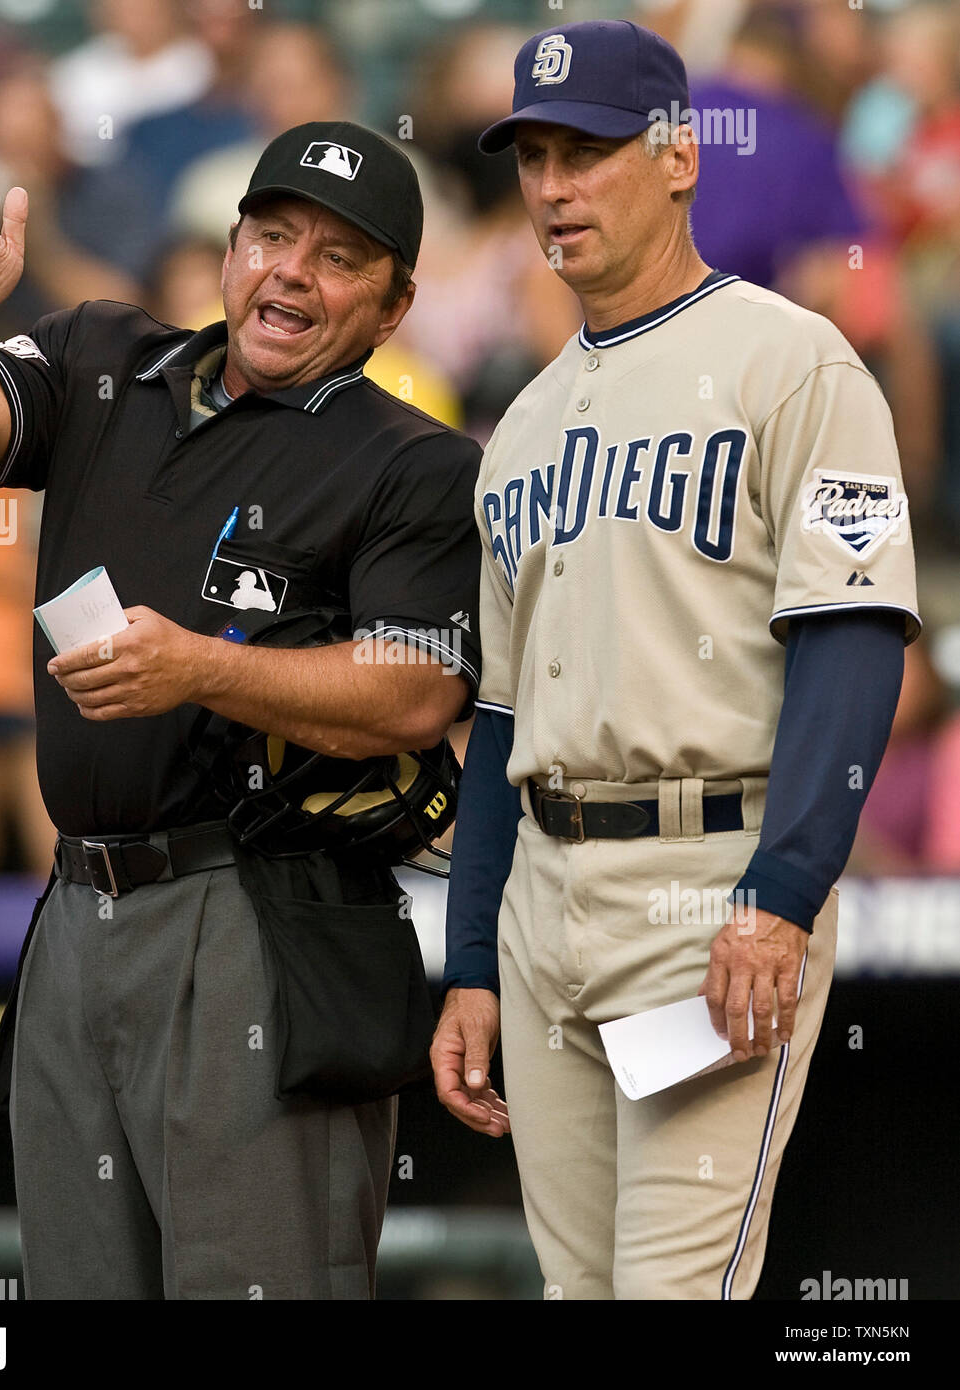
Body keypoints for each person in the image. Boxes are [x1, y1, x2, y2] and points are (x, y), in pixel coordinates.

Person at [0, 120, 483, 1300]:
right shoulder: (106, 353)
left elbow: (416, 691)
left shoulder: (412, 461)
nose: (291, 273)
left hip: (261, 915)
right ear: (230, 248)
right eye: (273, 236)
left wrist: (203, 668)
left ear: (394, 304)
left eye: (338, 257)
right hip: (75, 913)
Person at [431, 20, 919, 1301]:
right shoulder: (523, 424)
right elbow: (495, 713)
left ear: (678, 155)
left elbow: (852, 641)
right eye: (534, 156)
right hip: (545, 901)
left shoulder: (792, 360)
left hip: (707, 890)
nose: (552, 187)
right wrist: (473, 957)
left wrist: (781, 892)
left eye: (586, 152)